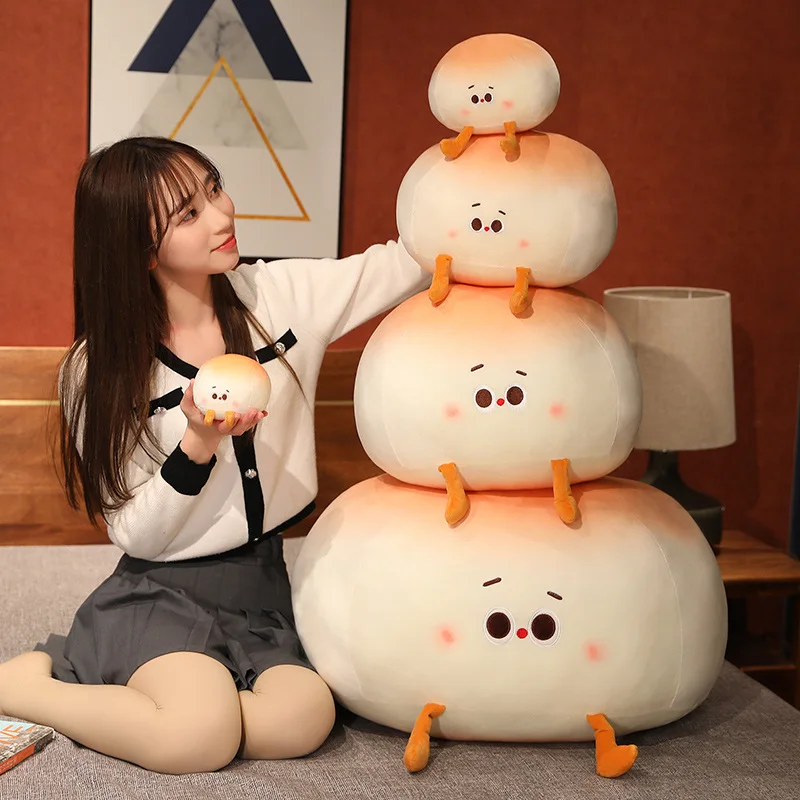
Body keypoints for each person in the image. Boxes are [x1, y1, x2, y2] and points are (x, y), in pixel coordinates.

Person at [0, 136, 430, 774]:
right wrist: (196, 444)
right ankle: (28, 686)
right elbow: (134, 532)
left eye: (214, 188)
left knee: (304, 718)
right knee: (196, 738)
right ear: (141, 249)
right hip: (161, 589)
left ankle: (185, 701)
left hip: (262, 585)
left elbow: (410, 262)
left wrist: (473, 175)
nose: (223, 215)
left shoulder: (281, 297)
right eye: (189, 214)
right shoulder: (99, 371)